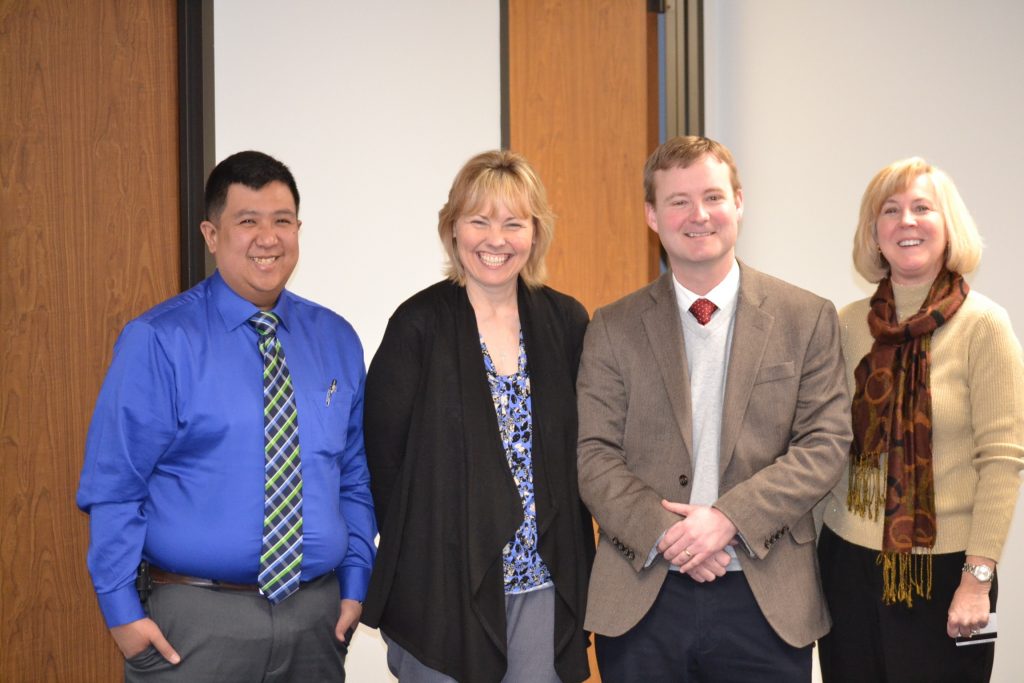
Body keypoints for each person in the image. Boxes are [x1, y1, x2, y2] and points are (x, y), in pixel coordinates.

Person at [76, 150, 376, 681]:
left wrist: (355, 584)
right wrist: (121, 612)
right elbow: (115, 485)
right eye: (247, 222)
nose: (268, 238)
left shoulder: (336, 339)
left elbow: (352, 477)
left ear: (299, 230)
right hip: (195, 622)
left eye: (282, 221)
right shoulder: (159, 342)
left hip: (315, 620)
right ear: (212, 236)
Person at [576, 135, 852, 682]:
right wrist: (670, 536)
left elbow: (825, 445)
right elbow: (594, 455)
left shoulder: (807, 317)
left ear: (739, 204)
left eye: (713, 197)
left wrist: (727, 521)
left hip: (765, 594)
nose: (698, 215)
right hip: (644, 593)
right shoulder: (612, 326)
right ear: (652, 216)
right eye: (678, 201)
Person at [361, 150, 594, 682]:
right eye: (479, 220)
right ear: (452, 230)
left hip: (544, 586)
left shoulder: (566, 322)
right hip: (442, 595)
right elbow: (381, 460)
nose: (496, 239)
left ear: (535, 234)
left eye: (514, 222)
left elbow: (588, 449)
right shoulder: (416, 325)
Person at [817, 157, 1024, 682]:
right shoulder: (847, 324)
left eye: (922, 207)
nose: (906, 221)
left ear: (948, 226)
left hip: (950, 572)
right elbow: (824, 445)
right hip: (846, 567)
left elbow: (1002, 460)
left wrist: (978, 579)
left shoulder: (986, 326)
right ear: (875, 233)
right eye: (891, 210)